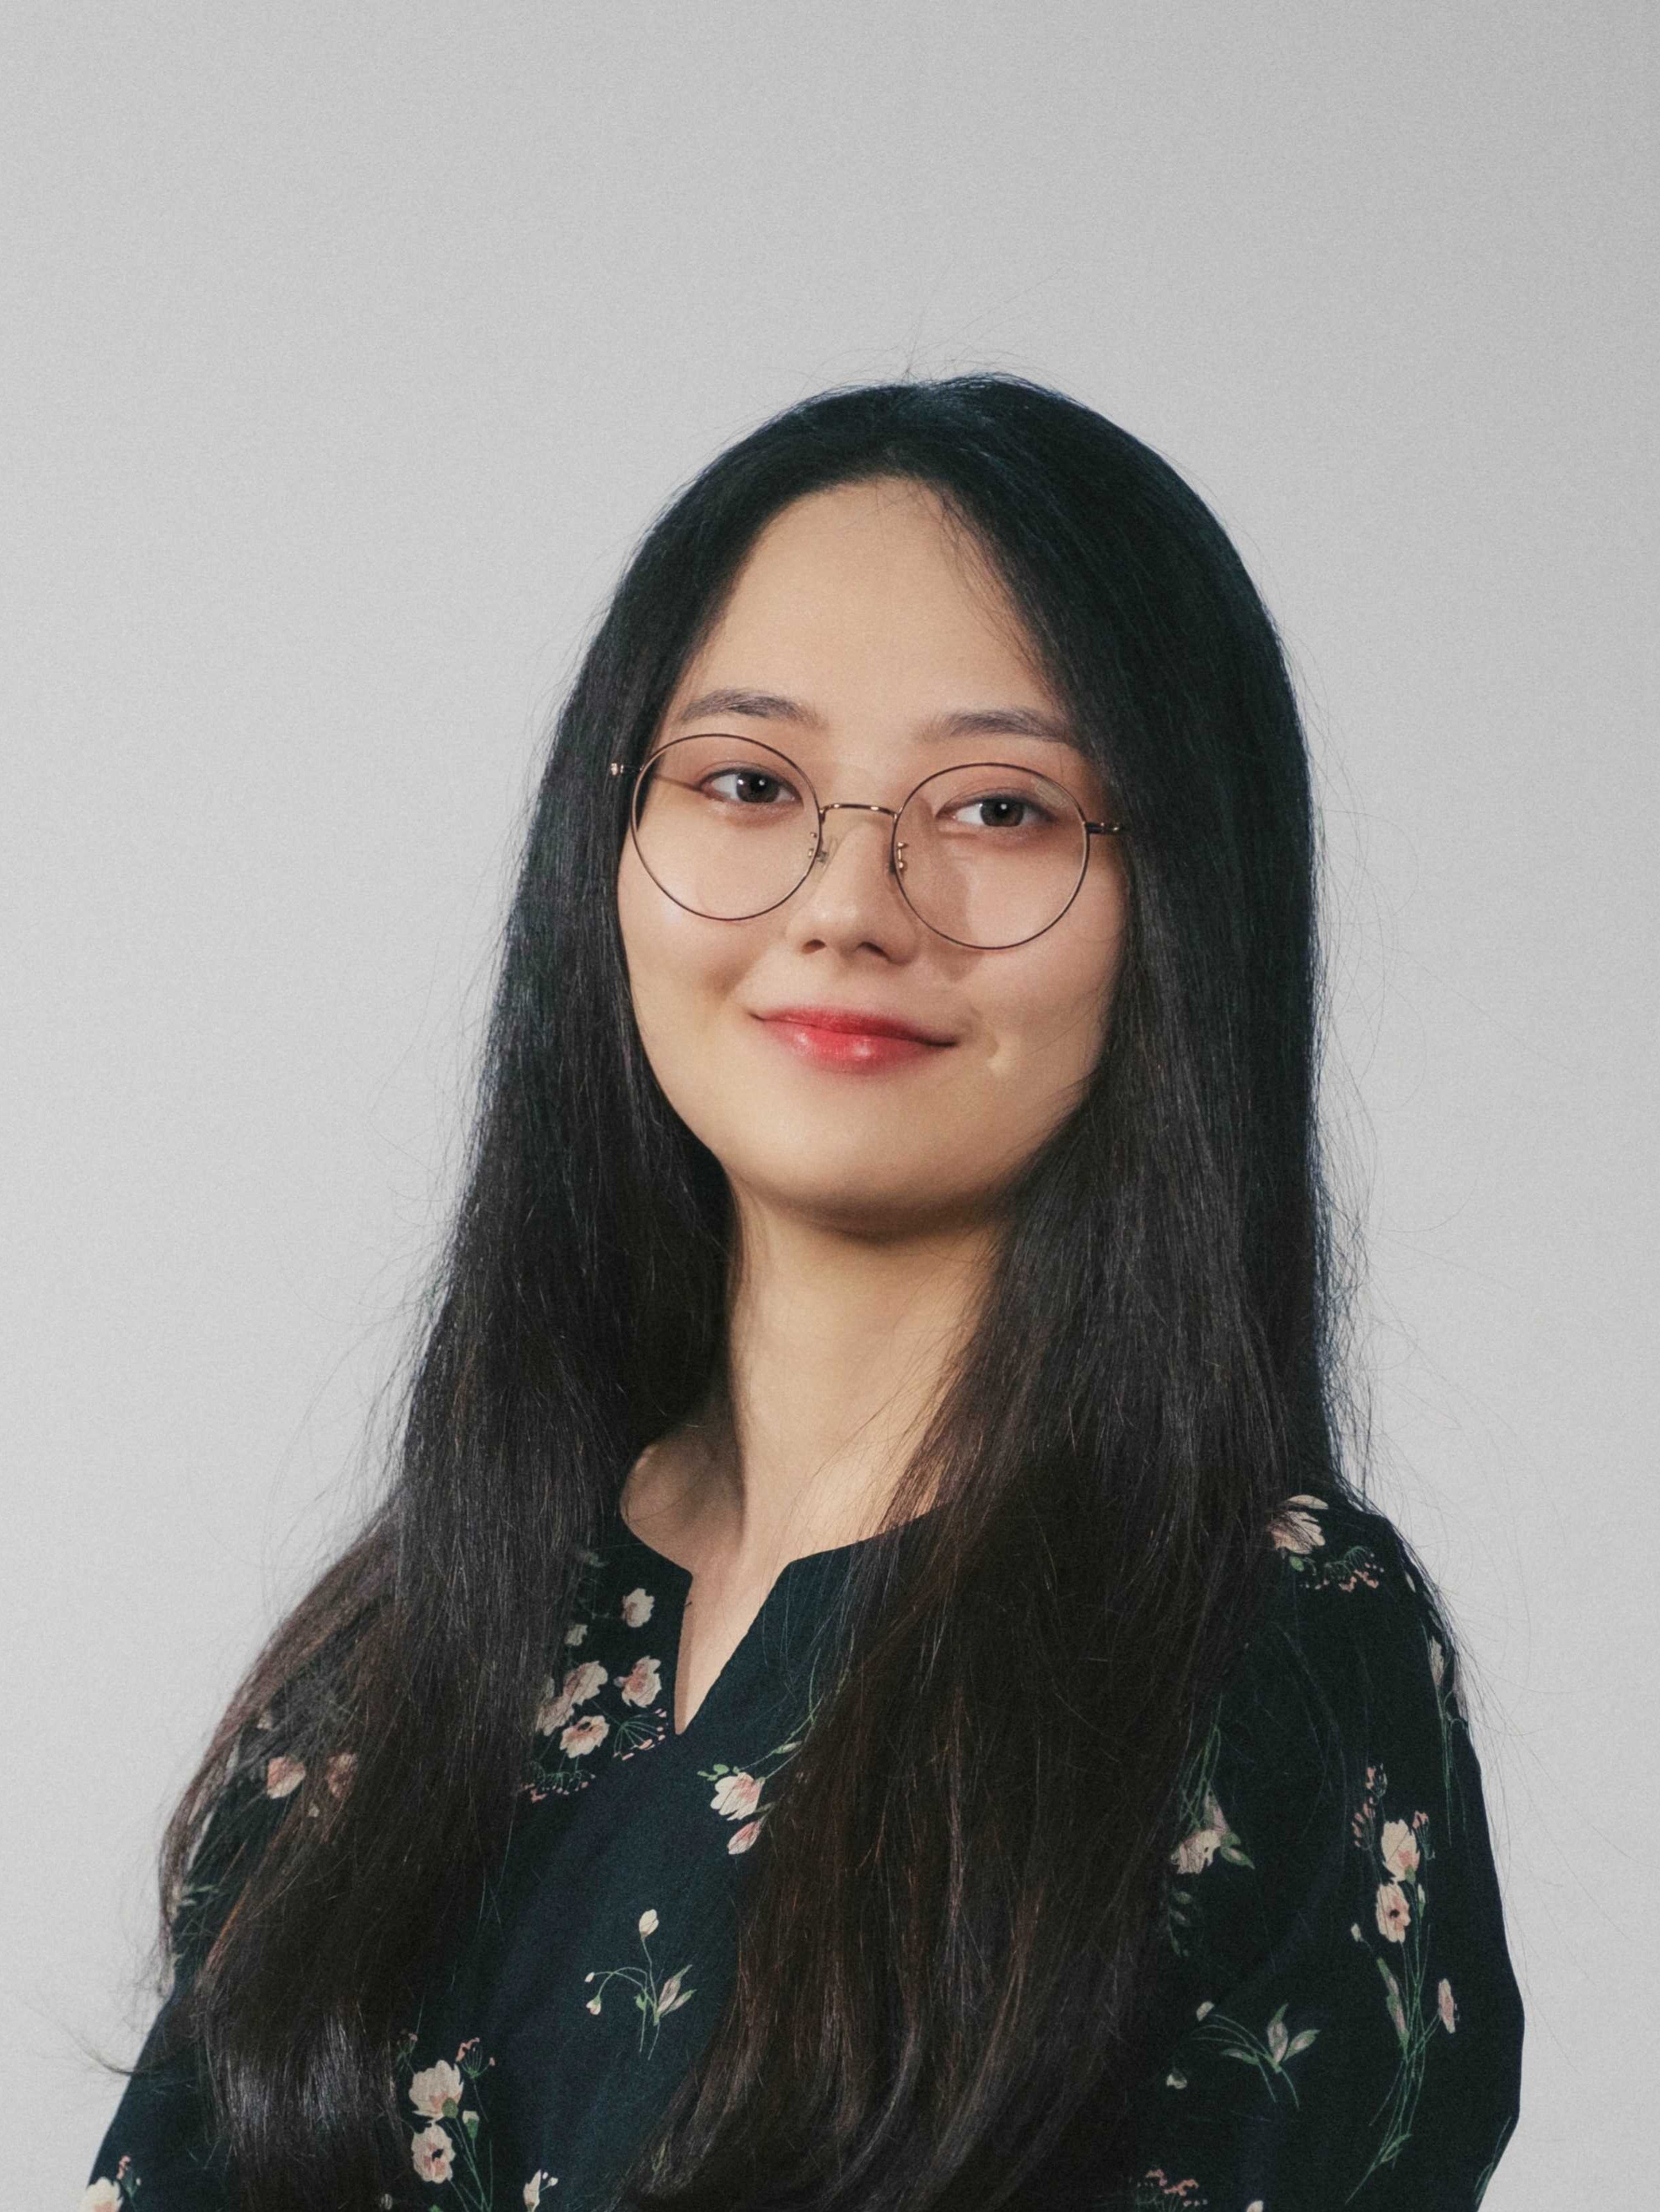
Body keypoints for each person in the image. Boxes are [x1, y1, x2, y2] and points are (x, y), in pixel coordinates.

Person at [84, 375, 1523, 2212]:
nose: (851, 901)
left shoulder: (1272, 1647)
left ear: (1183, 903)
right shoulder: (412, 1656)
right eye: (749, 784)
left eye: (1000, 806)